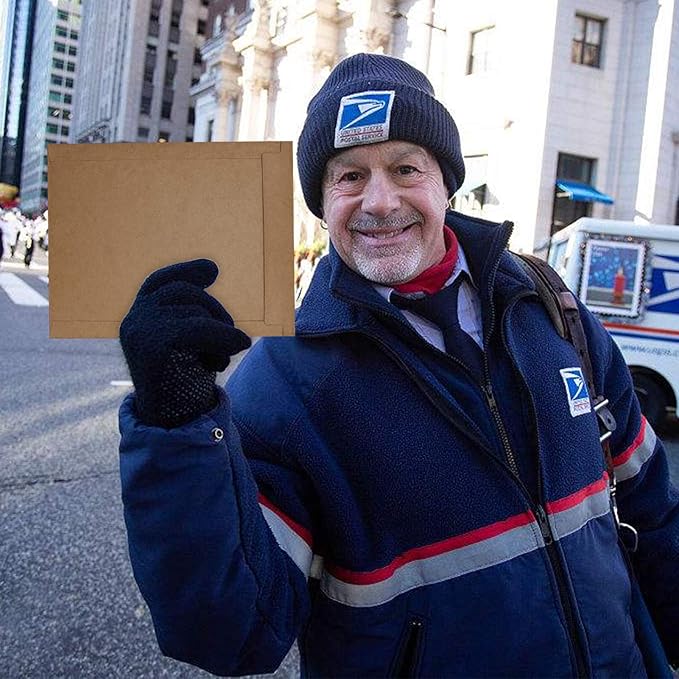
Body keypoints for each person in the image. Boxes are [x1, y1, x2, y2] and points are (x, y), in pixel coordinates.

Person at [118, 53, 678, 677]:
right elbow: (232, 632)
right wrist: (175, 422)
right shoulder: (282, 383)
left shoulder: (550, 308)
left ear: (446, 183)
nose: (380, 202)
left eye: (406, 168)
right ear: (321, 202)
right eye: (350, 176)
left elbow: (654, 509)